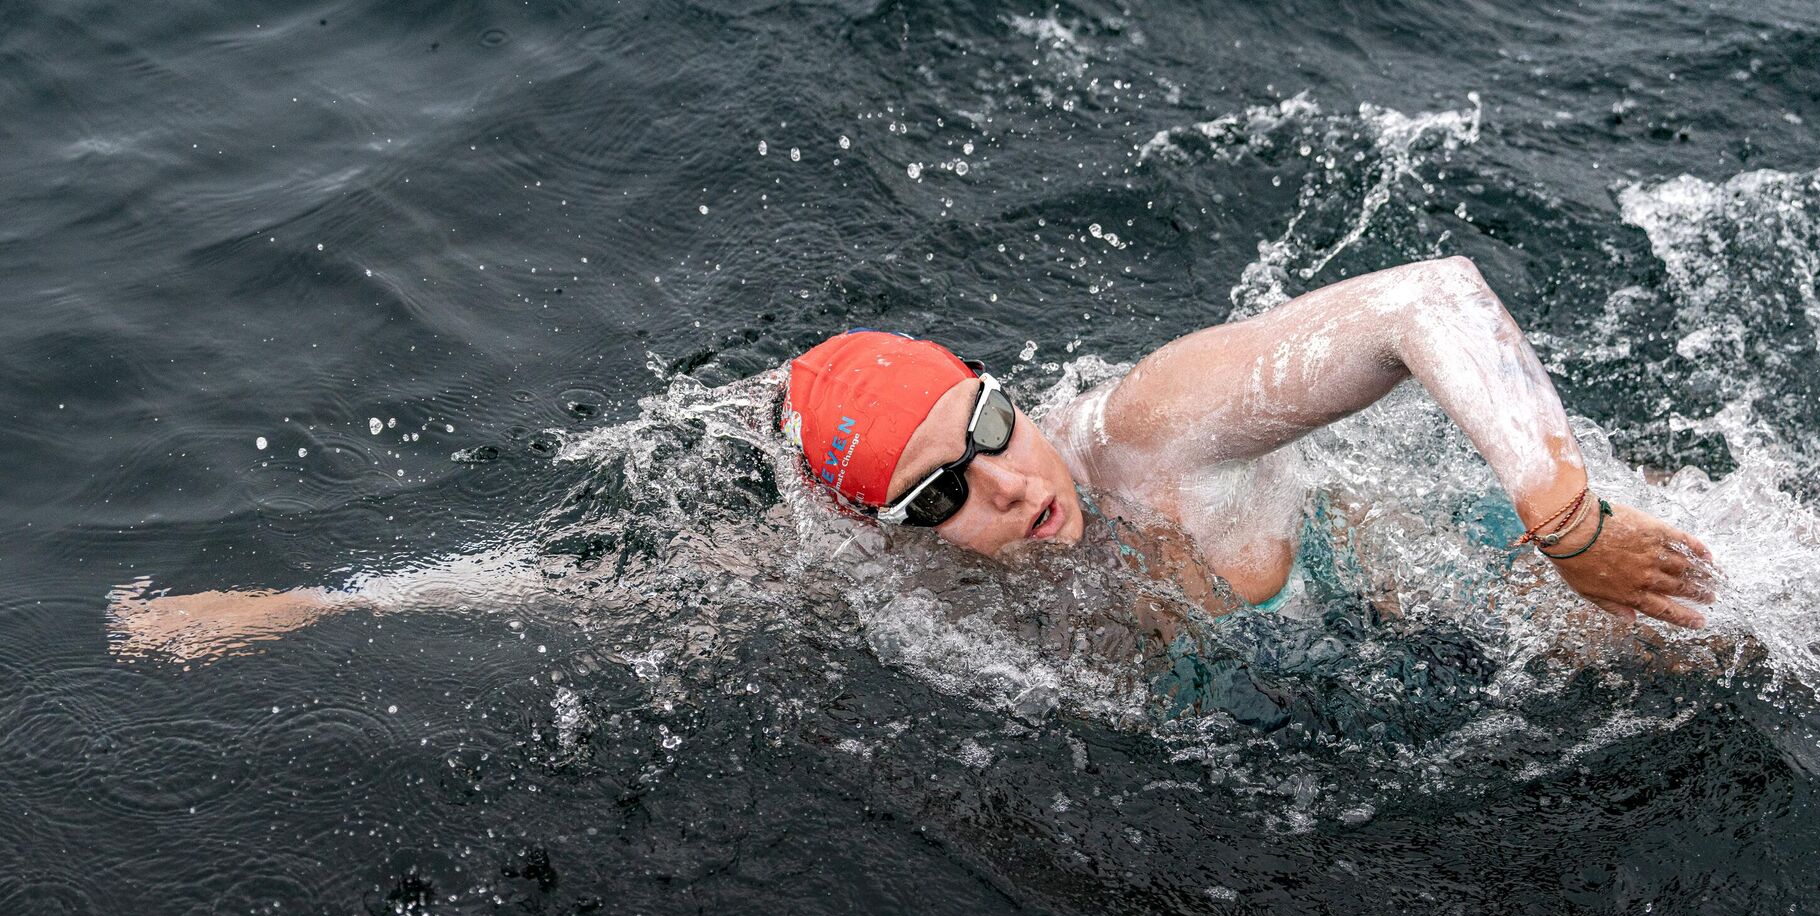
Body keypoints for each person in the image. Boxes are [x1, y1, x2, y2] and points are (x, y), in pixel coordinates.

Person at [108, 255, 1714, 662]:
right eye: (943, 492)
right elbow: (612, 587)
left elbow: (1431, 297)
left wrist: (1565, 518)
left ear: (1016, 395)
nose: (1012, 488)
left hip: (1512, 592)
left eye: (992, 432)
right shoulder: (876, 582)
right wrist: (332, 609)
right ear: (888, 523)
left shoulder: (1141, 429)